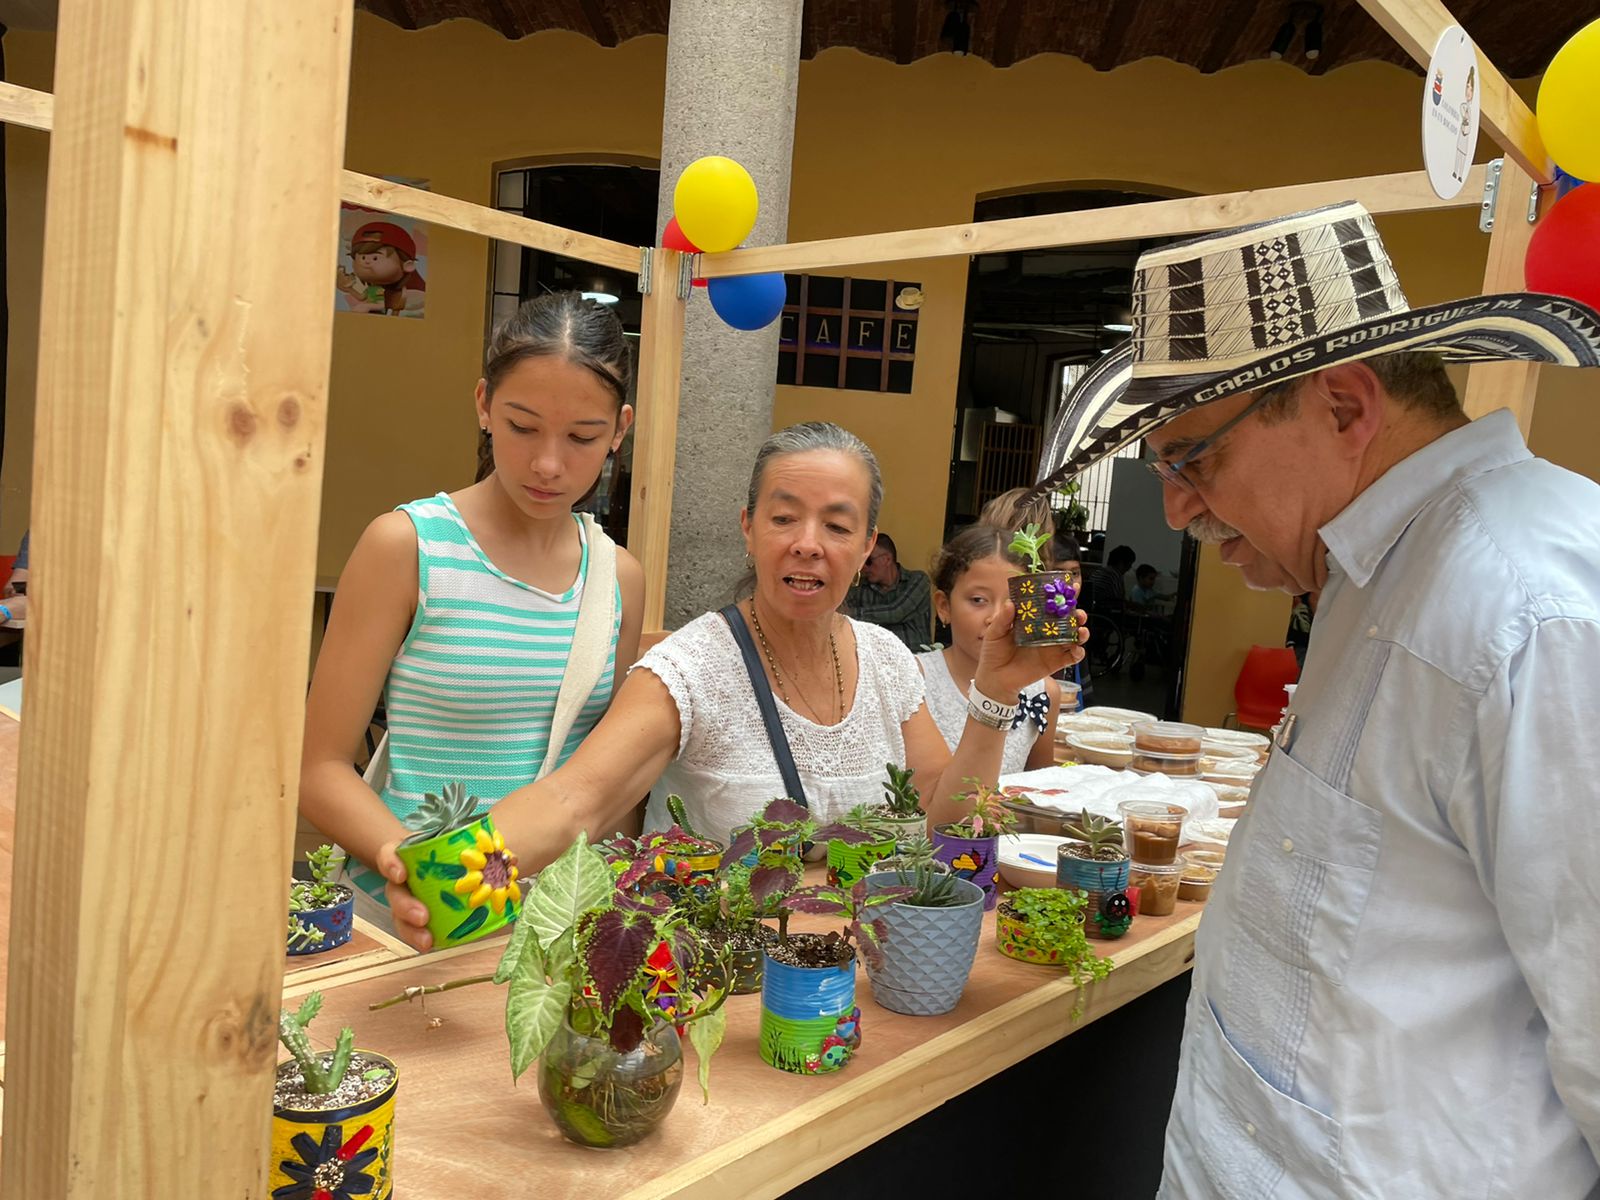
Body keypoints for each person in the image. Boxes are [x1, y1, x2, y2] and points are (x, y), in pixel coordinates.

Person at [1040, 201, 1600, 1196]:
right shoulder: (1370, 574)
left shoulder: (1529, 614)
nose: (1174, 507)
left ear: (1342, 407)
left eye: (1191, 458)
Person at [374, 421, 1086, 950]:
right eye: (783, 518)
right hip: (712, 991)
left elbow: (946, 819)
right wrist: (436, 882)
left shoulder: (887, 658)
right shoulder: (692, 669)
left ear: (868, 546)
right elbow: (573, 800)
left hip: (853, 981)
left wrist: (993, 695)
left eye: (837, 525)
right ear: (749, 529)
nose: (807, 541)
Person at [299, 292, 644, 920]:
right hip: (413, 912)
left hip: (554, 927)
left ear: (619, 430)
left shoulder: (618, 578)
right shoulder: (408, 547)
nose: (548, 463)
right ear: (483, 404)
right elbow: (318, 766)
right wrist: (412, 869)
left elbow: (606, 781)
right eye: (522, 426)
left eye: (582, 437)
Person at [919, 524, 1063, 773]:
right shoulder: (912, 680)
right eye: (978, 600)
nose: (997, 617)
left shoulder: (1045, 692)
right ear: (944, 606)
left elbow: (1038, 790)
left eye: (1014, 602)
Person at [846, 530, 933, 649]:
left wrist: (854, 613)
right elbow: (841, 615)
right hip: (880, 662)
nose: (863, 568)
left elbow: (897, 612)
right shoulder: (860, 587)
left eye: (868, 561)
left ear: (886, 559)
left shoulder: (917, 580)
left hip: (917, 659)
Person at [1085, 543, 1134, 609]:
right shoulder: (1115, 575)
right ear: (1121, 563)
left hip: (1091, 612)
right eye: (1129, 565)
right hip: (1105, 614)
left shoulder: (1098, 571)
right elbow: (1120, 601)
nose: (1129, 569)